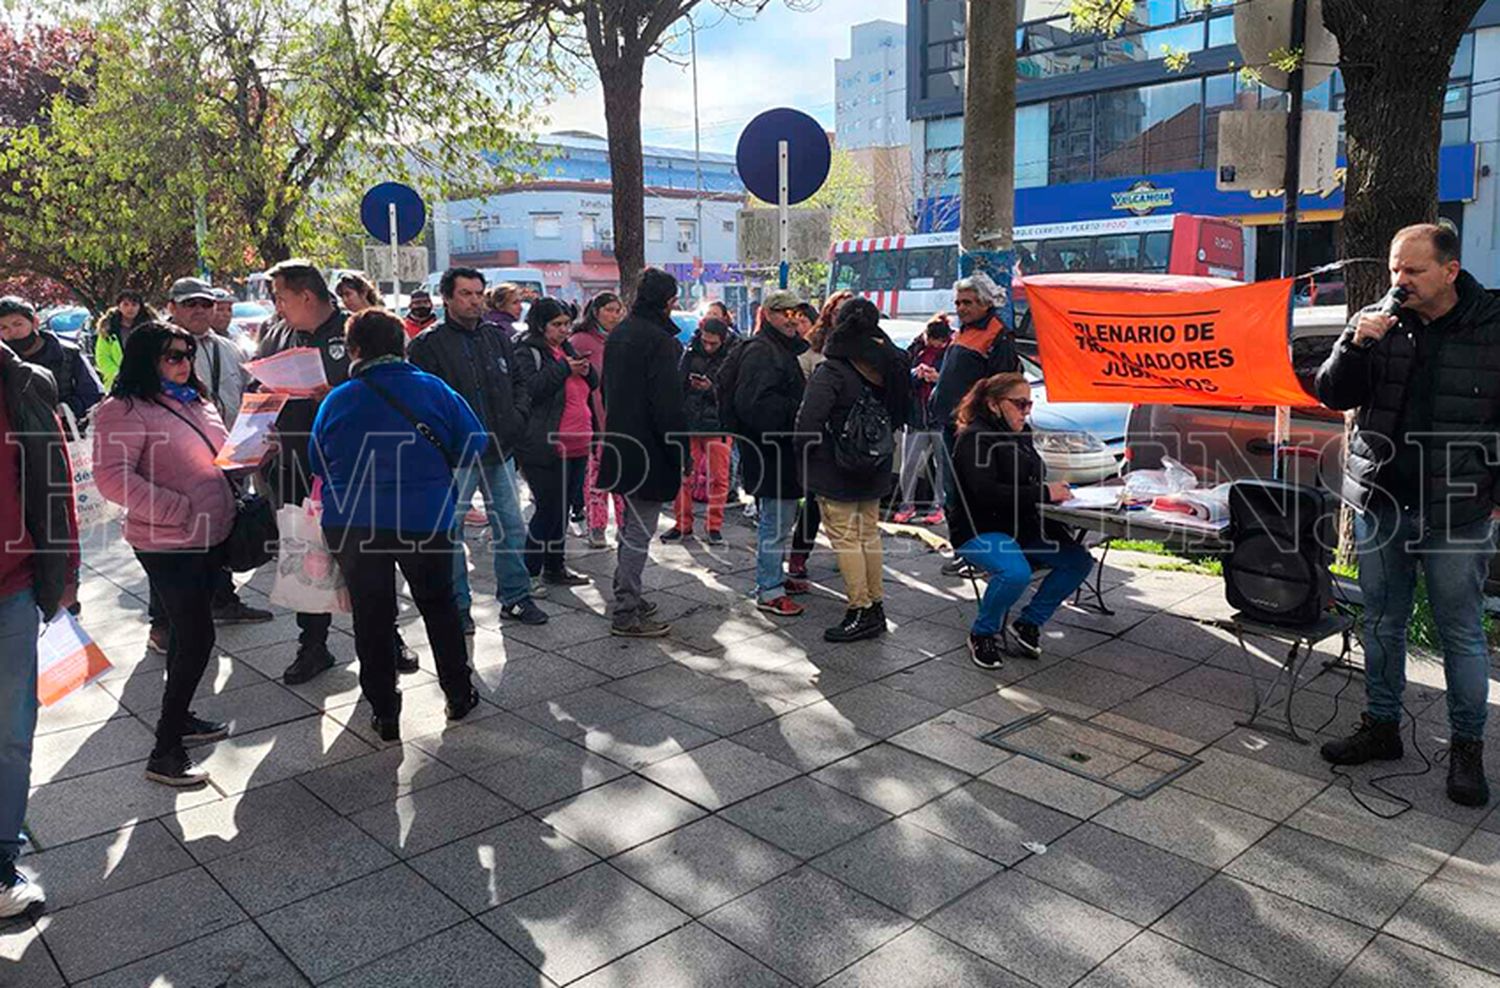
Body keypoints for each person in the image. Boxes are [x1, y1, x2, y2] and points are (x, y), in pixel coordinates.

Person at [1314, 223, 1500, 808]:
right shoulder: (1378, 320)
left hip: (1457, 511)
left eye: (1413, 271)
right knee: (1382, 621)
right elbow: (1332, 393)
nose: (1400, 282)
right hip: (1384, 503)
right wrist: (1353, 343)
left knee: (1461, 634)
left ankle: (1467, 750)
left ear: (1450, 270)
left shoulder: (1492, 324)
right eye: (1395, 269)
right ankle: (1382, 726)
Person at [312, 309, 484, 741]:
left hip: (353, 524)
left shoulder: (338, 398)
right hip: (424, 519)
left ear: (353, 350)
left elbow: (317, 461)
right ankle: (458, 694)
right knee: (438, 605)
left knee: (372, 615)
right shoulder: (434, 390)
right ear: (402, 345)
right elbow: (473, 445)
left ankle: (385, 712)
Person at [93, 323, 243, 786]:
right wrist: (176, 508)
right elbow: (113, 479)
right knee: (197, 638)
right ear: (145, 359)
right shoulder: (122, 410)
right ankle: (165, 749)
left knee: (187, 633)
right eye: (171, 356)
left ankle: (180, 720)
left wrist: (254, 454)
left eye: (186, 355)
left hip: (211, 533)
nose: (182, 363)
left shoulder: (195, 400)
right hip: (167, 540)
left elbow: (219, 455)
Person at [259, 260, 418, 680]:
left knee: (369, 559)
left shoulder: (356, 330)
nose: (277, 305)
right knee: (306, 557)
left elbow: (388, 386)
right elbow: (257, 387)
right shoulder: (276, 334)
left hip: (353, 468)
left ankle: (389, 638)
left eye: (281, 296)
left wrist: (337, 395)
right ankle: (313, 645)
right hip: (294, 460)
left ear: (306, 296)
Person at [408, 268, 547, 629]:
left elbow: (519, 383)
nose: (474, 301)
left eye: (478, 293)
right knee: (450, 532)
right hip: (455, 457)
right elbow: (421, 403)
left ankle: (516, 597)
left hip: (499, 448)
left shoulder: (496, 337)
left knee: (511, 525)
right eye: (466, 294)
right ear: (447, 299)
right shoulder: (427, 345)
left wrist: (516, 418)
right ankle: (457, 607)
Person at [0, 342, 78, 918]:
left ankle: (0, 859)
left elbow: (55, 487)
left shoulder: (22, 383)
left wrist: (64, 570)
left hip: (13, 584)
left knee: (11, 733)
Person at [949, 373, 1092, 670]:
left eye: (1029, 404)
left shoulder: (1020, 433)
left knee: (1078, 561)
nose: (1027, 411)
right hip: (980, 528)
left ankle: (1028, 623)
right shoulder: (975, 437)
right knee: (1015, 573)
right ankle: (982, 633)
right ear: (993, 404)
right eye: (1020, 404)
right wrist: (1044, 492)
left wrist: (1057, 492)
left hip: (1022, 525)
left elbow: (1030, 477)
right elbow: (985, 493)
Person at [794, 297, 910, 642]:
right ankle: (875, 605)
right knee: (869, 535)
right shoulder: (891, 365)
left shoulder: (832, 371)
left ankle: (859, 609)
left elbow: (808, 422)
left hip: (835, 469)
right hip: (875, 465)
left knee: (845, 539)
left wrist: (806, 461)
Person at [164, 277, 270, 627]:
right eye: (190, 303)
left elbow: (246, 396)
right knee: (175, 541)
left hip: (229, 453)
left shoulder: (227, 347)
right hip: (180, 461)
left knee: (224, 527)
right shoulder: (157, 347)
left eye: (205, 303)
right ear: (172, 308)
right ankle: (163, 620)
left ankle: (223, 599)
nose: (199, 310)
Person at [598, 268, 688, 637]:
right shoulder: (659, 341)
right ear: (666, 302)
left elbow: (606, 389)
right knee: (638, 532)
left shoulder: (620, 333)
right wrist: (679, 450)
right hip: (649, 447)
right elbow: (667, 404)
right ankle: (626, 609)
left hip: (622, 442)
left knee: (629, 530)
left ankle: (628, 595)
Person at [930, 272, 1019, 576]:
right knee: (953, 493)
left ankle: (983, 557)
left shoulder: (997, 335)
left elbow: (1002, 387)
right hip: (950, 425)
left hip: (973, 431)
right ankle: (966, 551)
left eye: (967, 302)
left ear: (984, 303)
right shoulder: (964, 331)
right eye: (958, 302)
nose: (961, 307)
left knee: (973, 494)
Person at [733, 288, 811, 617]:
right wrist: (799, 409)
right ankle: (769, 589)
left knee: (781, 520)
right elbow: (754, 405)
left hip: (779, 450)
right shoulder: (763, 351)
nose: (792, 319)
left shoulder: (778, 348)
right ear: (768, 315)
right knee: (775, 523)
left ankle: (774, 577)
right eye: (784, 313)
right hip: (770, 451)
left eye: (797, 313)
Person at [513, 297, 596, 591]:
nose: (564, 330)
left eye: (566, 324)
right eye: (557, 325)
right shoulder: (526, 350)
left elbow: (591, 384)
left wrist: (586, 370)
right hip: (545, 443)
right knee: (548, 508)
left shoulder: (566, 347)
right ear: (540, 324)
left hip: (577, 440)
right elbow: (531, 388)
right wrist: (564, 369)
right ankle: (528, 573)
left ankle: (555, 566)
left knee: (561, 510)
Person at [787, 292, 849, 582]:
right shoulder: (814, 348)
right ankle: (799, 555)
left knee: (851, 500)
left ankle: (848, 554)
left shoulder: (866, 348)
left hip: (852, 438)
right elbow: (804, 393)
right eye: (838, 311)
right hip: (822, 435)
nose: (843, 316)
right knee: (813, 500)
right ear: (829, 313)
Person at [666, 318, 732, 544]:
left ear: (722, 340)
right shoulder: (690, 351)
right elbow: (676, 384)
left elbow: (733, 391)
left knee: (719, 478)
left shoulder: (732, 355)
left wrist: (712, 389)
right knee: (684, 476)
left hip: (718, 425)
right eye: (706, 342)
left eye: (713, 344)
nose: (708, 346)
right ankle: (682, 524)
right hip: (690, 423)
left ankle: (714, 526)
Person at [570, 292, 627, 548]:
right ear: (596, 311)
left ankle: (626, 526)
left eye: (618, 310)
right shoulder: (580, 341)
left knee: (623, 479)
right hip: (593, 420)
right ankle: (597, 527)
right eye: (610, 310)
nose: (615, 315)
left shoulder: (624, 338)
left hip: (623, 420)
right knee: (595, 479)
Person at [0, 296, 103, 436]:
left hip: (64, 436)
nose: (12, 332)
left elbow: (93, 393)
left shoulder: (68, 353)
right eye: (3, 328)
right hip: (14, 438)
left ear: (35, 322)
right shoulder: (4, 359)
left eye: (18, 324)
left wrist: (68, 408)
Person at [893, 314, 953, 525]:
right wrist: (915, 374)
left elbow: (957, 380)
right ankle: (906, 505)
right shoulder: (915, 349)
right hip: (917, 416)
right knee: (909, 464)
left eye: (940, 341)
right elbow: (900, 375)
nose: (936, 344)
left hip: (940, 418)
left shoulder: (952, 352)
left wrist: (940, 379)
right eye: (933, 340)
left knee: (942, 465)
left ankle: (939, 506)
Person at [94, 290, 157, 389]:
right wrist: (117, 374)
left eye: (134, 304)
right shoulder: (108, 329)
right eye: (126, 304)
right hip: (117, 384)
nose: (130, 308)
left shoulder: (152, 329)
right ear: (119, 306)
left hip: (146, 382)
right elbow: (102, 357)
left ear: (140, 307)